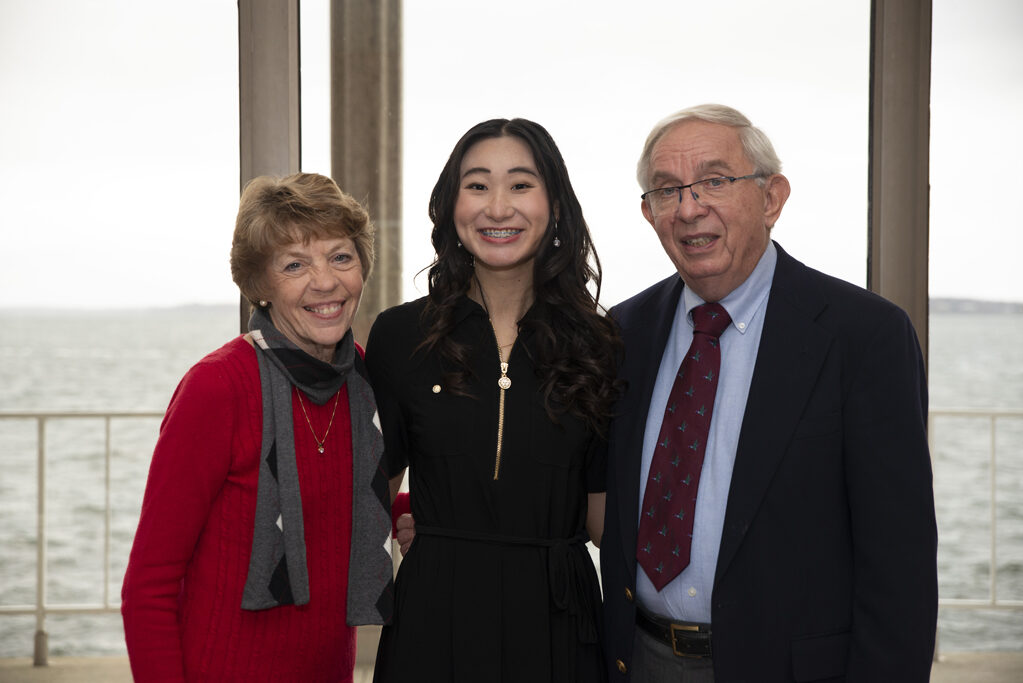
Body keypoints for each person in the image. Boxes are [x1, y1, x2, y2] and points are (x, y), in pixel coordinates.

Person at [600, 104, 938, 682]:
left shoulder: (863, 335)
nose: (689, 208)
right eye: (666, 191)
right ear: (647, 213)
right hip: (639, 660)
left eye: (715, 181)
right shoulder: (622, 333)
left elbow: (899, 564)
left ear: (772, 198)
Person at [368, 118, 619, 683]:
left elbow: (606, 516)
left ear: (555, 205)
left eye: (521, 185)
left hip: (561, 623)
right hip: (434, 616)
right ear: (450, 205)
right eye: (477, 185)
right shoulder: (400, 334)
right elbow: (368, 494)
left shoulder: (601, 343)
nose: (498, 208)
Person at [121, 173, 393, 681]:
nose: (326, 281)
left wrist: (417, 513)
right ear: (260, 284)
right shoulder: (217, 387)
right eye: (295, 264)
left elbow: (342, 502)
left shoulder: (360, 377)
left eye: (340, 256)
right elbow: (149, 587)